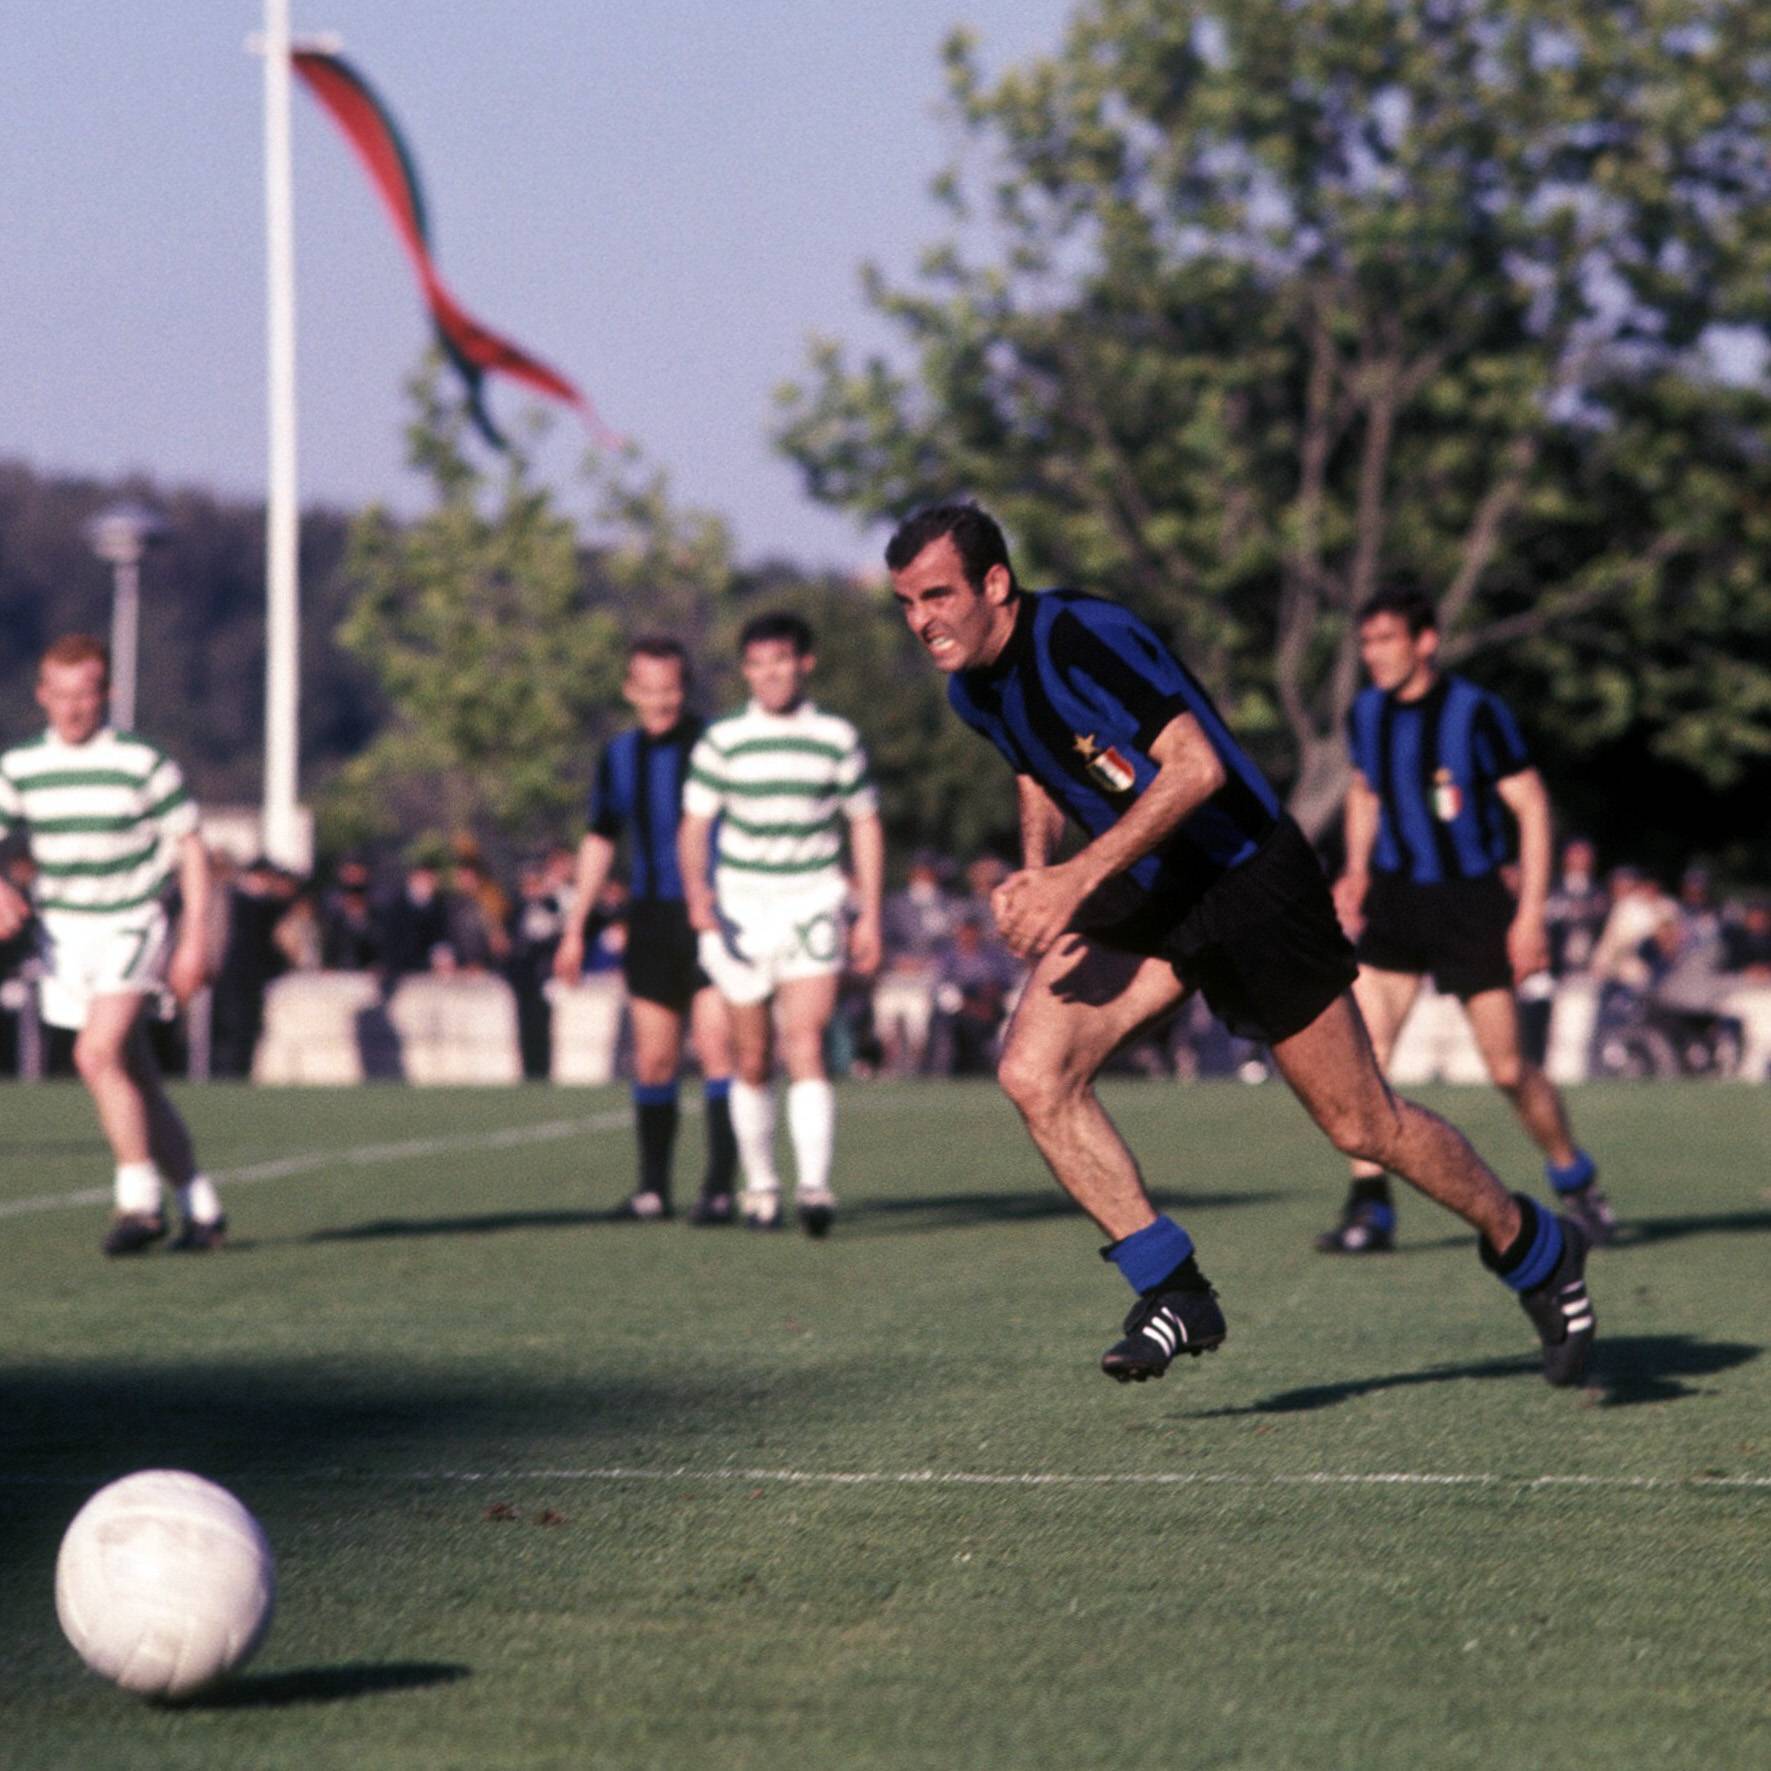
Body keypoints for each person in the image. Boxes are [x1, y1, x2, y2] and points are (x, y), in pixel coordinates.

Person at [885, 504, 1596, 1387]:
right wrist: (1037, 869)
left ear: (994, 583)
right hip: (1147, 889)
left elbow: (1196, 770)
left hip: (1247, 878)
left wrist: (1072, 881)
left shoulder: (1082, 636)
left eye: (936, 595)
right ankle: (1171, 1287)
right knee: (1033, 1072)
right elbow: (1034, 761)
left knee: (1361, 1122)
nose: (922, 619)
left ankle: (1535, 1247)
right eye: (907, 603)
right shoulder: (971, 687)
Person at [1323, 589, 1615, 1252]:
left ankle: (1575, 1181)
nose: (1373, 654)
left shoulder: (1475, 713)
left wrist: (1528, 916)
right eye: (1365, 642)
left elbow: (1532, 808)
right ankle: (1370, 1207)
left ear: (1424, 640)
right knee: (1363, 1058)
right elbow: (1363, 788)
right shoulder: (1364, 712)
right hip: (1395, 900)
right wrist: (1357, 868)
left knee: (1507, 1068)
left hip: (1470, 901)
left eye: (1386, 638)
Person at [0, 635, 227, 1254]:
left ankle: (139, 1204)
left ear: (108, 694)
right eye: (61, 695)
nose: (73, 708)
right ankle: (201, 1206)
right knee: (134, 1077)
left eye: (86, 694)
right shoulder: (21, 767)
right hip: (65, 931)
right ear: (43, 695)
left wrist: (192, 938)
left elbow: (190, 845)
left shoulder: (142, 762)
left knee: (96, 1056)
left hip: (132, 921)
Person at [678, 612, 885, 1236]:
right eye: (758, 663)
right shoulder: (723, 741)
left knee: (806, 1040)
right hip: (742, 908)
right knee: (751, 1054)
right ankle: (762, 1186)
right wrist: (699, 895)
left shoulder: (836, 737)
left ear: (804, 663)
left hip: (812, 901)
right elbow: (694, 827)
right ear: (746, 670)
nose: (771, 674)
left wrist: (869, 910)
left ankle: (815, 1188)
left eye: (782, 661)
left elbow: (864, 822)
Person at [554, 637, 739, 1222]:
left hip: (713, 917)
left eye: (671, 689)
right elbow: (600, 837)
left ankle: (719, 1189)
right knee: (654, 1060)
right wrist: (575, 927)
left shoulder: (716, 746)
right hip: (651, 920)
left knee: (716, 1049)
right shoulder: (618, 755)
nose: (660, 701)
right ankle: (652, 1190)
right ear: (630, 690)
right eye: (648, 690)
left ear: (684, 688)